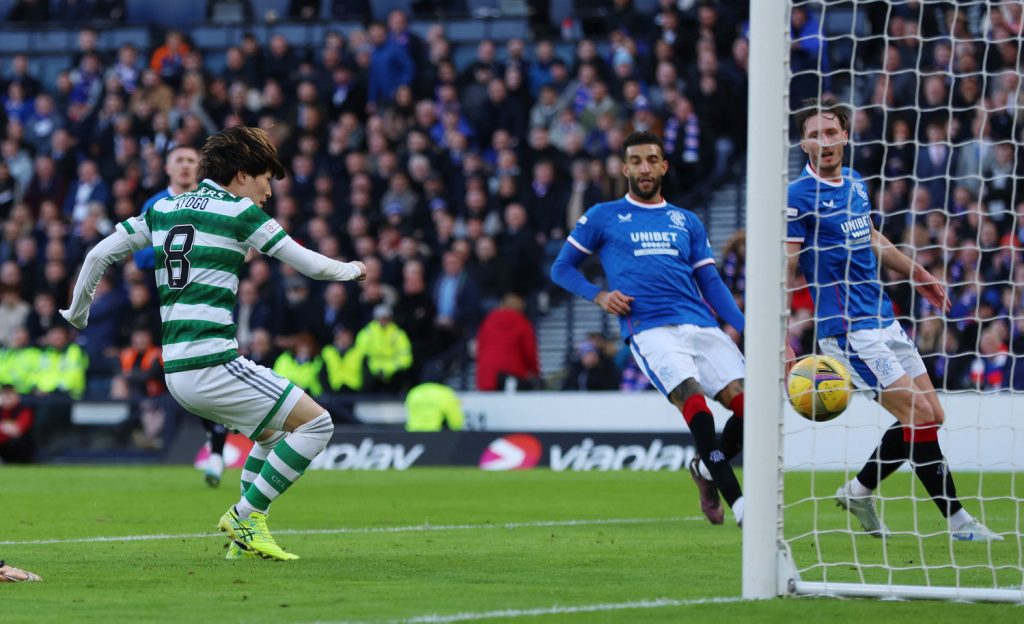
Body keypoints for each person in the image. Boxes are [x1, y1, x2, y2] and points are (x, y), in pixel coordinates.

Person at [59, 126, 367, 561]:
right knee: (317, 425)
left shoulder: (164, 208)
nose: (268, 193)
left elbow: (97, 255)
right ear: (242, 174)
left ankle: (239, 543)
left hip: (178, 370)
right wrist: (352, 269)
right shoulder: (239, 213)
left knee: (271, 436)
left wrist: (78, 312)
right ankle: (246, 515)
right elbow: (311, 266)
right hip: (214, 363)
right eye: (265, 180)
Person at [787, 97, 1000, 541]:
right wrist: (780, 334)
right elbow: (784, 267)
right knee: (919, 414)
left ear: (845, 136)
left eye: (831, 132)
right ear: (803, 142)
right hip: (847, 330)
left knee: (932, 414)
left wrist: (917, 271)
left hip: (883, 318)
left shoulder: (857, 182)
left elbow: (871, 237)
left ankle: (860, 489)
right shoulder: (798, 196)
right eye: (815, 134)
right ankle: (960, 522)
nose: (824, 141)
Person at [550, 131, 752, 527]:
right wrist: (599, 296)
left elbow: (711, 283)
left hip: (702, 325)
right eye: (636, 161)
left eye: (651, 160)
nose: (644, 167)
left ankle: (707, 471)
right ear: (625, 168)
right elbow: (561, 268)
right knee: (697, 408)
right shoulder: (603, 215)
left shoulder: (686, 220)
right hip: (651, 330)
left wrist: (746, 329)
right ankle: (742, 506)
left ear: (664, 166)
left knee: (750, 411)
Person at [134, 144, 227, 487]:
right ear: (168, 168)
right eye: (180, 161)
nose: (187, 166)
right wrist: (177, 250)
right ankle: (211, 438)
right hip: (169, 305)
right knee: (182, 377)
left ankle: (217, 451)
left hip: (208, 301)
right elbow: (138, 257)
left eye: (192, 161)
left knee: (213, 367)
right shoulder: (156, 205)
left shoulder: (211, 201)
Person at [0, 384, 34, 463]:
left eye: (9, 395)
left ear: (16, 397)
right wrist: (6, 426)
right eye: (4, 395)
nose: (7, 398)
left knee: (16, 442)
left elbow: (17, 430)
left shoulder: (23, 410)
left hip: (16, 449)